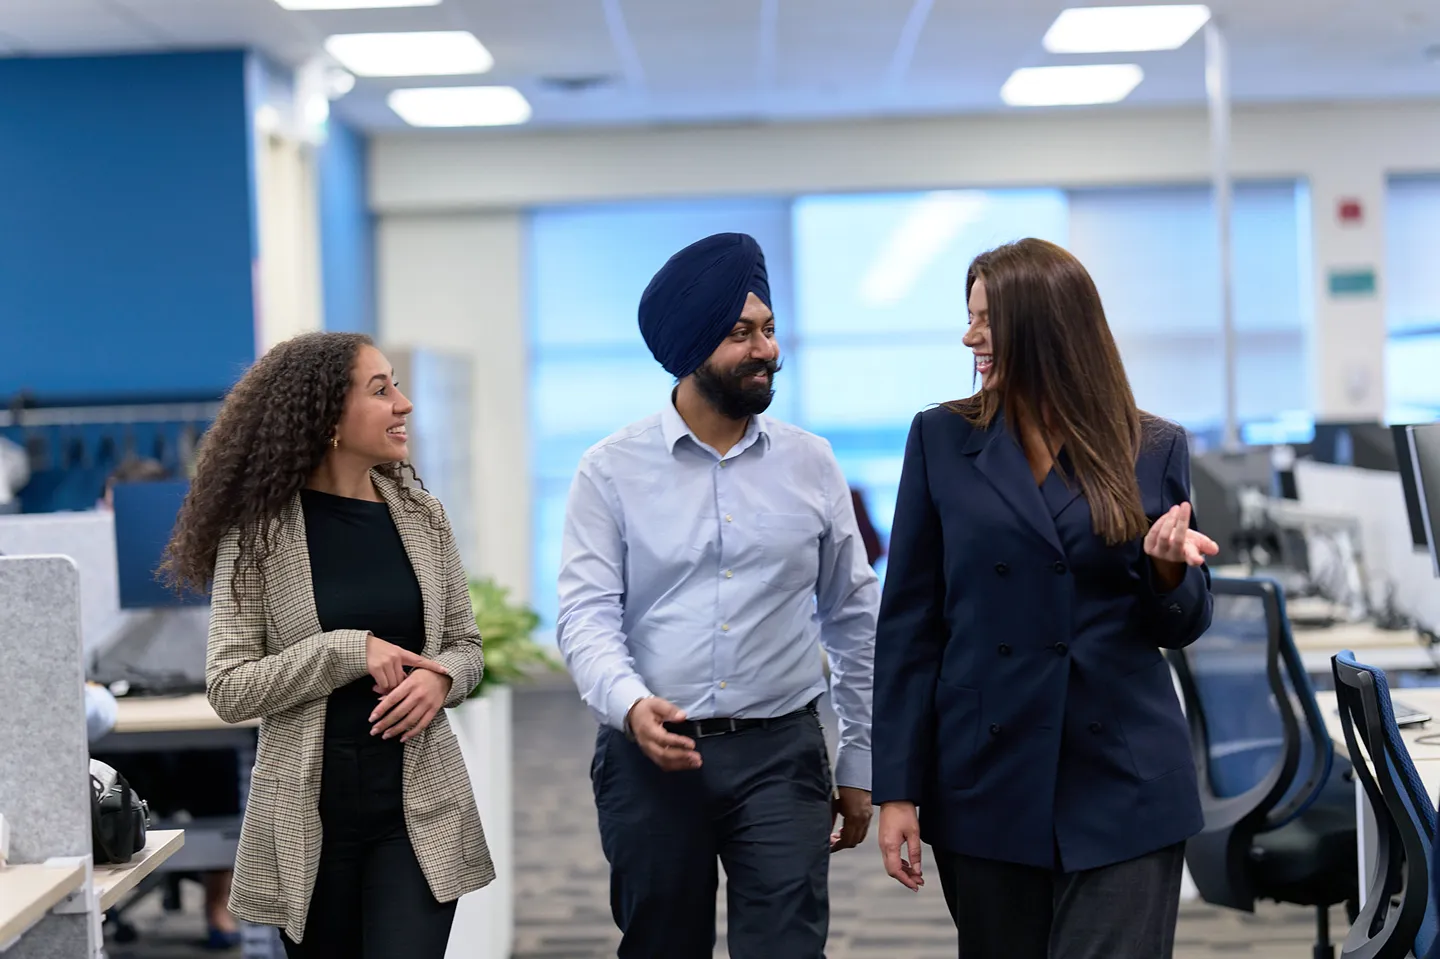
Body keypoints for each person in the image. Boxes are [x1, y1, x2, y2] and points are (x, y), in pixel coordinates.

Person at [872, 238, 1219, 959]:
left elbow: (1183, 622)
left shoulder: (1149, 445)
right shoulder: (941, 438)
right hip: (986, 775)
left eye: (986, 320)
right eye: (968, 318)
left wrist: (1165, 572)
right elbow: (908, 627)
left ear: (1045, 324)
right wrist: (896, 791)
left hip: (1123, 776)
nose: (969, 337)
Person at [557, 232, 879, 958]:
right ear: (690, 347)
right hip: (650, 757)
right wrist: (630, 703)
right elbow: (585, 615)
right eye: (740, 334)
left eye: (768, 329)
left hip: (781, 751)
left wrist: (861, 761)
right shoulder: (610, 470)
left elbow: (855, 618)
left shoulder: (811, 462)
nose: (765, 349)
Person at [160, 331, 493, 958]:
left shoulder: (422, 516)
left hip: (417, 807)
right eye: (381, 389)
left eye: (396, 383)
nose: (404, 403)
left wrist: (442, 677)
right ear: (327, 416)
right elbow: (230, 688)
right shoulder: (257, 534)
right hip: (308, 819)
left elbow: (465, 645)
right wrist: (345, 650)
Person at [93, 456, 246, 950]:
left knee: (222, 775)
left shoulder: (209, 552)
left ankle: (219, 907)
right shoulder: (84, 558)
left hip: (198, 709)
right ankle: (99, 903)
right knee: (96, 779)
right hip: (114, 714)